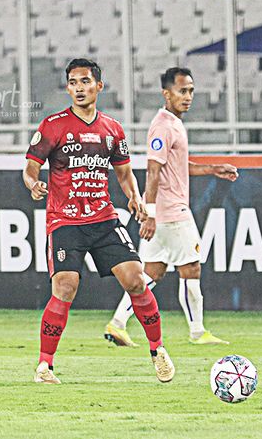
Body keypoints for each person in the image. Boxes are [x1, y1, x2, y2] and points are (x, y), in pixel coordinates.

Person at [23, 58, 175, 384]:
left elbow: (123, 173)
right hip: (65, 219)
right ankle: (45, 365)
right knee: (65, 285)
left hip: (104, 217)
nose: (79, 88)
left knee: (136, 279)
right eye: (73, 83)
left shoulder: (112, 129)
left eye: (85, 82)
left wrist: (135, 198)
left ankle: (158, 350)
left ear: (98, 86)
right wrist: (33, 183)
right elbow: (31, 166)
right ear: (68, 88)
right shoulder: (53, 126)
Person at [104, 67, 238, 348]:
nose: (188, 96)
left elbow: (175, 167)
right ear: (167, 93)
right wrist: (150, 215)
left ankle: (117, 323)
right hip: (171, 213)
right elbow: (153, 171)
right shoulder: (163, 126)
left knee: (151, 274)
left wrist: (213, 169)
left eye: (190, 91)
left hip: (164, 213)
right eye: (182, 91)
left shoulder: (173, 123)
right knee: (191, 269)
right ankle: (198, 331)